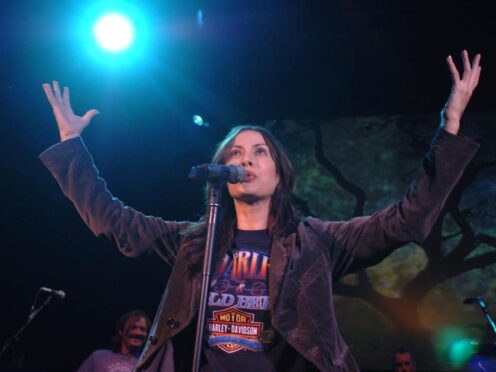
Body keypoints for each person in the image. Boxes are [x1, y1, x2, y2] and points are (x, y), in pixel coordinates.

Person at [40, 50, 481, 371]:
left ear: (279, 174)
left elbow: (407, 219)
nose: (245, 160)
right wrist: (70, 145)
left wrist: (451, 128)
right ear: (223, 169)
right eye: (235, 152)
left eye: (259, 152)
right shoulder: (195, 242)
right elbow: (113, 219)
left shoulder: (316, 241)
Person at [77, 310, 151, 372]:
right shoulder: (99, 357)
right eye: (133, 327)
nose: (138, 333)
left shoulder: (148, 366)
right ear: (121, 331)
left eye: (143, 329)